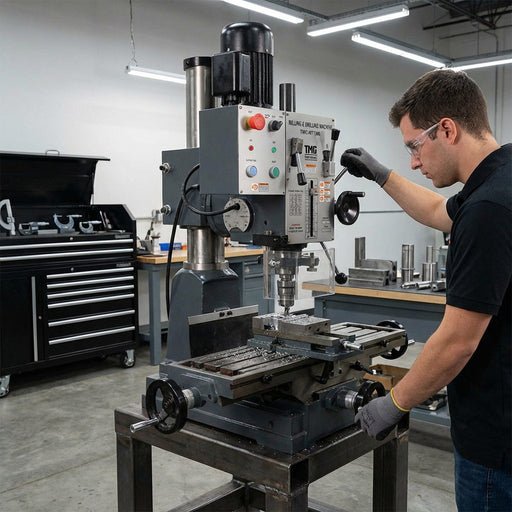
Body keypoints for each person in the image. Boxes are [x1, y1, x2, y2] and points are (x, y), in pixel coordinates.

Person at [341, 69, 511, 511]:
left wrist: (394, 404)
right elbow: (440, 211)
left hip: (496, 444)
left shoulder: (489, 209)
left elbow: (457, 342)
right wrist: (382, 175)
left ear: (447, 130)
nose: (414, 162)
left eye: (415, 146)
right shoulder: (500, 177)